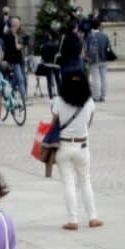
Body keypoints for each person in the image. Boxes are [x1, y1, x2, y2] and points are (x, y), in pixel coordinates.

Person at [45, 68, 101, 232]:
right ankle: (93, 217)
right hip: (82, 145)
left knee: (68, 182)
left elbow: (54, 122)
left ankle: (73, 219)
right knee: (85, 181)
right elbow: (88, 124)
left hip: (63, 146)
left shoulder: (58, 101)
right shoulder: (89, 102)